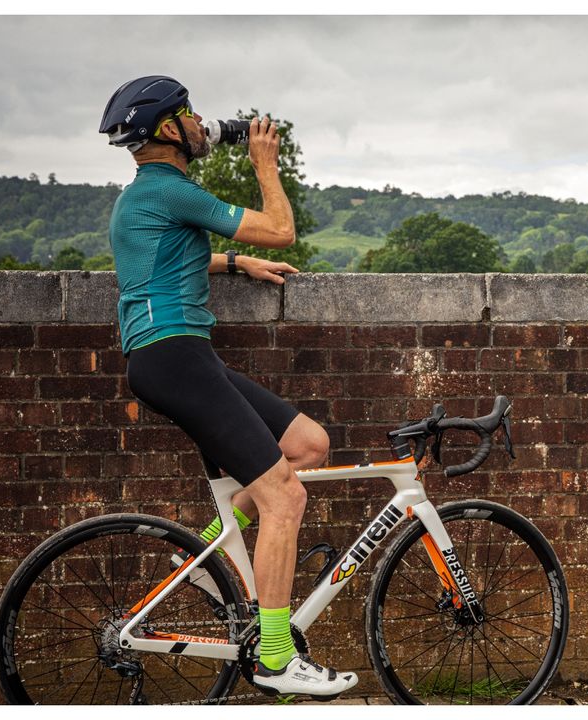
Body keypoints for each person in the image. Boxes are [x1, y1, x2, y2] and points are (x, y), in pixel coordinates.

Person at [98, 75, 357, 697]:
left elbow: (171, 254)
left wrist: (238, 262)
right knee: (284, 499)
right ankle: (274, 658)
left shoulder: (147, 197)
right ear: (168, 130)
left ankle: (209, 560)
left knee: (309, 445)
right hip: (175, 358)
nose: (201, 123)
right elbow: (280, 229)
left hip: (178, 357)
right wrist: (266, 165)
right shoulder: (169, 189)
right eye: (190, 115)